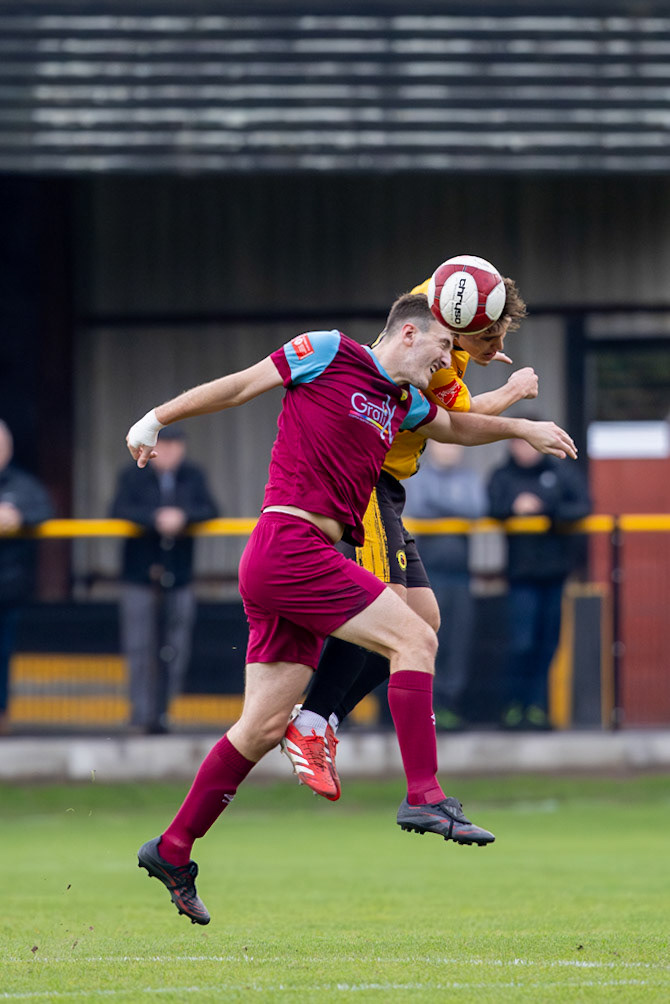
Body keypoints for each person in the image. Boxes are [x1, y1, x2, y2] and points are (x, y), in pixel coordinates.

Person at [126, 292, 576, 924]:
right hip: (291, 546)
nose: (447, 363)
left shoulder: (401, 401)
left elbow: (456, 426)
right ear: (411, 335)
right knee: (415, 636)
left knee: (258, 728)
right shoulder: (328, 350)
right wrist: (155, 417)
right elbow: (239, 386)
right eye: (444, 348)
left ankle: (171, 848)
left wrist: (522, 426)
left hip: (298, 559)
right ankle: (424, 794)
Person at [284, 275, 537, 797]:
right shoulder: (437, 334)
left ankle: (322, 717)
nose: (497, 350)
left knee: (424, 620)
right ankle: (313, 720)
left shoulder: (454, 344)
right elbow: (457, 422)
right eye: (491, 339)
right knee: (390, 610)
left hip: (393, 490)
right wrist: (513, 397)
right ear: (463, 323)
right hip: (371, 481)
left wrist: (483, 354)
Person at [110, 425, 219, 734]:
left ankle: (163, 713)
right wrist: (155, 519)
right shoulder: (133, 475)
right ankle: (141, 715)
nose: (169, 451)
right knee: (139, 646)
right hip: (139, 577)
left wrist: (182, 517)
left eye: (175, 444)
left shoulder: (193, 475)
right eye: (164, 444)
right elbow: (118, 509)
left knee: (176, 646)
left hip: (180, 576)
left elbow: (210, 509)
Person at [487, 433, 591, 730]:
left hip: (556, 574)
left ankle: (536, 708)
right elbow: (492, 506)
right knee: (522, 643)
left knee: (548, 644)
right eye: (519, 442)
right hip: (520, 576)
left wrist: (545, 508)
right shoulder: (503, 475)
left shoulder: (561, 472)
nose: (524, 449)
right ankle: (512, 707)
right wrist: (514, 507)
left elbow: (583, 506)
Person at [403, 441, 487, 729]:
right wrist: (455, 509)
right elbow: (419, 507)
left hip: (461, 574)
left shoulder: (470, 478)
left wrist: (443, 507)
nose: (449, 450)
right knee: (428, 638)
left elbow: (477, 508)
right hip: (425, 575)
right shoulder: (417, 475)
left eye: (454, 445)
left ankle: (449, 705)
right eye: (443, 444)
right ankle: (428, 704)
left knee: (458, 640)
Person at [0, 420, 53, 734]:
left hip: (9, 589)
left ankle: (2, 714)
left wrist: (17, 515)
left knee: (2, 656)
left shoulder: (23, 484)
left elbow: (43, 510)